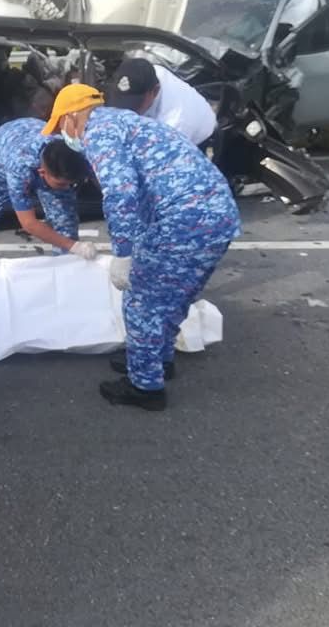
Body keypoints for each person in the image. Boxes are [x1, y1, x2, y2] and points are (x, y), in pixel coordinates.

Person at [42, 84, 241, 411]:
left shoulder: (99, 133)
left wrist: (122, 253)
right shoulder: (128, 122)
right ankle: (157, 360)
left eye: (60, 125)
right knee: (174, 294)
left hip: (184, 219)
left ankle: (145, 387)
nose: (63, 134)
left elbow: (120, 194)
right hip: (216, 215)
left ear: (72, 116)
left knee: (141, 300)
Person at [0, 114, 95, 264]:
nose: (67, 188)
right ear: (42, 172)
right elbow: (29, 223)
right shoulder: (19, 168)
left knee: (65, 224)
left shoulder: (73, 152)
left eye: (71, 183)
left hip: (33, 134)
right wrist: (75, 246)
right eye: (62, 184)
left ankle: (67, 271)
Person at [106, 58, 218, 149]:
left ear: (155, 91)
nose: (128, 110)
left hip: (202, 137)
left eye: (135, 104)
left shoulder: (174, 124)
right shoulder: (152, 71)